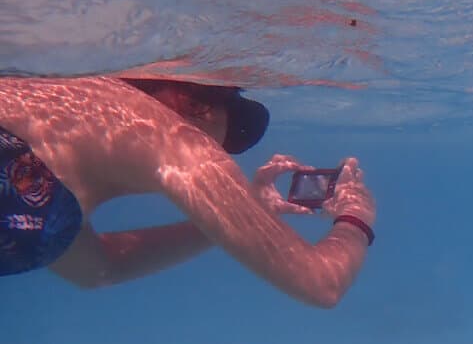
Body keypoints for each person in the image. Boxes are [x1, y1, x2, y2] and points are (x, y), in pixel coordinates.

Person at [0, 74, 377, 307]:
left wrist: (235, 221)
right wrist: (355, 220)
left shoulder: (59, 111)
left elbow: (97, 269)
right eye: (223, 146)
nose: (220, 161)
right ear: (194, 106)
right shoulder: (178, 142)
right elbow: (321, 283)